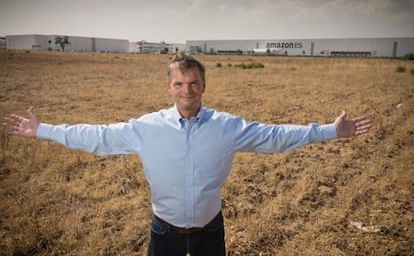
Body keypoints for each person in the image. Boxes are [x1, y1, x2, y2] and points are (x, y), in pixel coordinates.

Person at [3, 52, 372, 256]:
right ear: (169, 87)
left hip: (211, 232)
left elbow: (275, 136)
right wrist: (43, 130)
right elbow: (97, 137)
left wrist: (330, 130)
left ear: (204, 86)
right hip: (163, 233)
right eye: (179, 83)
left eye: (193, 83)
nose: (187, 90)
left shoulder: (228, 127)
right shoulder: (146, 128)